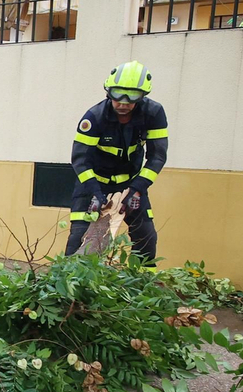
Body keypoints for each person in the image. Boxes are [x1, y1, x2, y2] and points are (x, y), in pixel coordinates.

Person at [65, 61, 169, 262]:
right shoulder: (94, 117)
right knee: (78, 240)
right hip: (93, 183)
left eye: (131, 97)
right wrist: (95, 192)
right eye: (117, 94)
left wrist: (137, 189)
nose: (123, 102)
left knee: (146, 238)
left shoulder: (154, 114)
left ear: (142, 96)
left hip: (131, 184)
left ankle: (142, 283)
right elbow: (79, 160)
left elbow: (157, 157)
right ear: (108, 92)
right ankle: (69, 285)